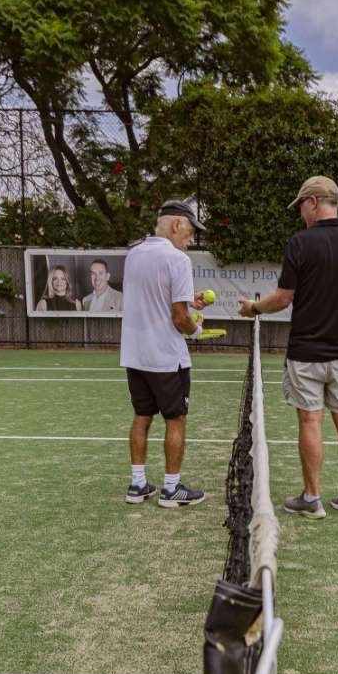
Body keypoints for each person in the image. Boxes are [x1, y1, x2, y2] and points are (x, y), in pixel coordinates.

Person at [236, 175, 338, 518]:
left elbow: (284, 299)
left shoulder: (300, 243)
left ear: (314, 202)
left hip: (306, 355)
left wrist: (253, 308)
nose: (301, 213)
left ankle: (312, 498)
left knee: (310, 422)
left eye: (302, 205)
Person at [121, 200, 211, 506]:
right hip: (166, 358)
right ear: (176, 224)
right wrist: (196, 328)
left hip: (135, 356)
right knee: (176, 420)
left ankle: (137, 485)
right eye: (191, 231)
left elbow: (159, 301)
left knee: (141, 417)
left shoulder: (134, 255)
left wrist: (189, 306)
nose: (192, 239)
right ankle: (171, 490)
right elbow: (178, 318)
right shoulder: (178, 260)